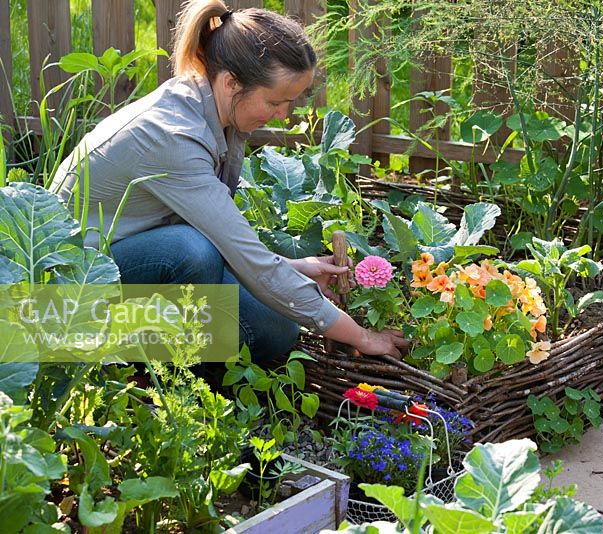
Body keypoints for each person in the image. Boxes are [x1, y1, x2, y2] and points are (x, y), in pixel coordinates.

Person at [49, 0, 409, 363]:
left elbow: (229, 238)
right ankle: (168, 376)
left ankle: (159, 348)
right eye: (275, 102)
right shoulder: (174, 137)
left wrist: (292, 269)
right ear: (231, 82)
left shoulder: (219, 112)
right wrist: (363, 336)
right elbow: (240, 257)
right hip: (66, 294)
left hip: (131, 258)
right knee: (191, 251)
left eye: (290, 101)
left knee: (276, 329)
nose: (284, 115)